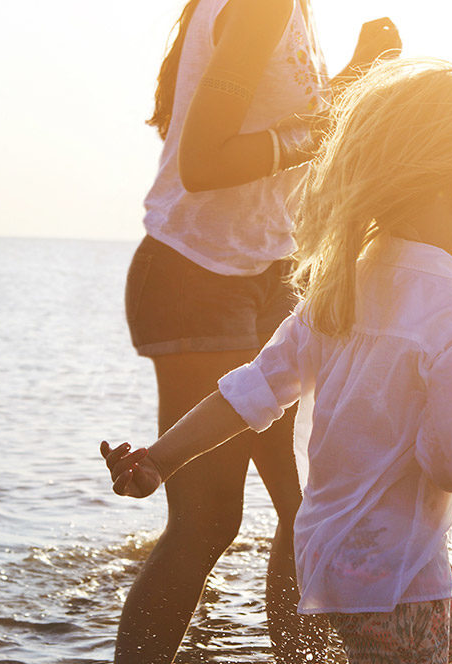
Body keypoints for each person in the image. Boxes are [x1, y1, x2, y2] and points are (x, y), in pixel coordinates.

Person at [105, 58, 452, 664]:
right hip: (399, 587)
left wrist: (160, 460)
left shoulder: (342, 290)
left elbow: (248, 394)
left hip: (339, 564)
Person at [122, 0, 400, 661]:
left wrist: (358, 75)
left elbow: (282, 129)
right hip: (196, 277)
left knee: (304, 508)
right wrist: (342, 105)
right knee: (208, 520)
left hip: (272, 272)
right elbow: (204, 163)